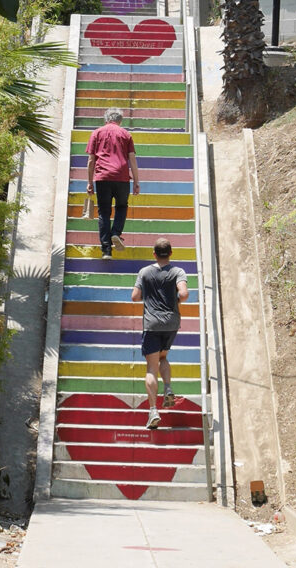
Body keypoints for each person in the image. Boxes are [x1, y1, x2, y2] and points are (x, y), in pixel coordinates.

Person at [132, 238, 189, 429]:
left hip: (152, 324)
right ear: (171, 253)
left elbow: (135, 297)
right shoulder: (178, 272)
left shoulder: (145, 272)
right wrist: (174, 299)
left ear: (154, 253)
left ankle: (153, 410)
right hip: (172, 323)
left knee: (151, 366)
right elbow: (184, 294)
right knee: (163, 357)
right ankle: (168, 388)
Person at [85, 108, 140, 259]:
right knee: (122, 206)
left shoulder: (96, 133)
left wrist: (89, 182)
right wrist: (136, 181)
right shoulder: (126, 134)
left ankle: (106, 250)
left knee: (104, 212)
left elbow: (91, 161)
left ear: (106, 119)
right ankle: (116, 233)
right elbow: (132, 159)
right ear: (120, 120)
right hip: (122, 177)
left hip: (102, 177)